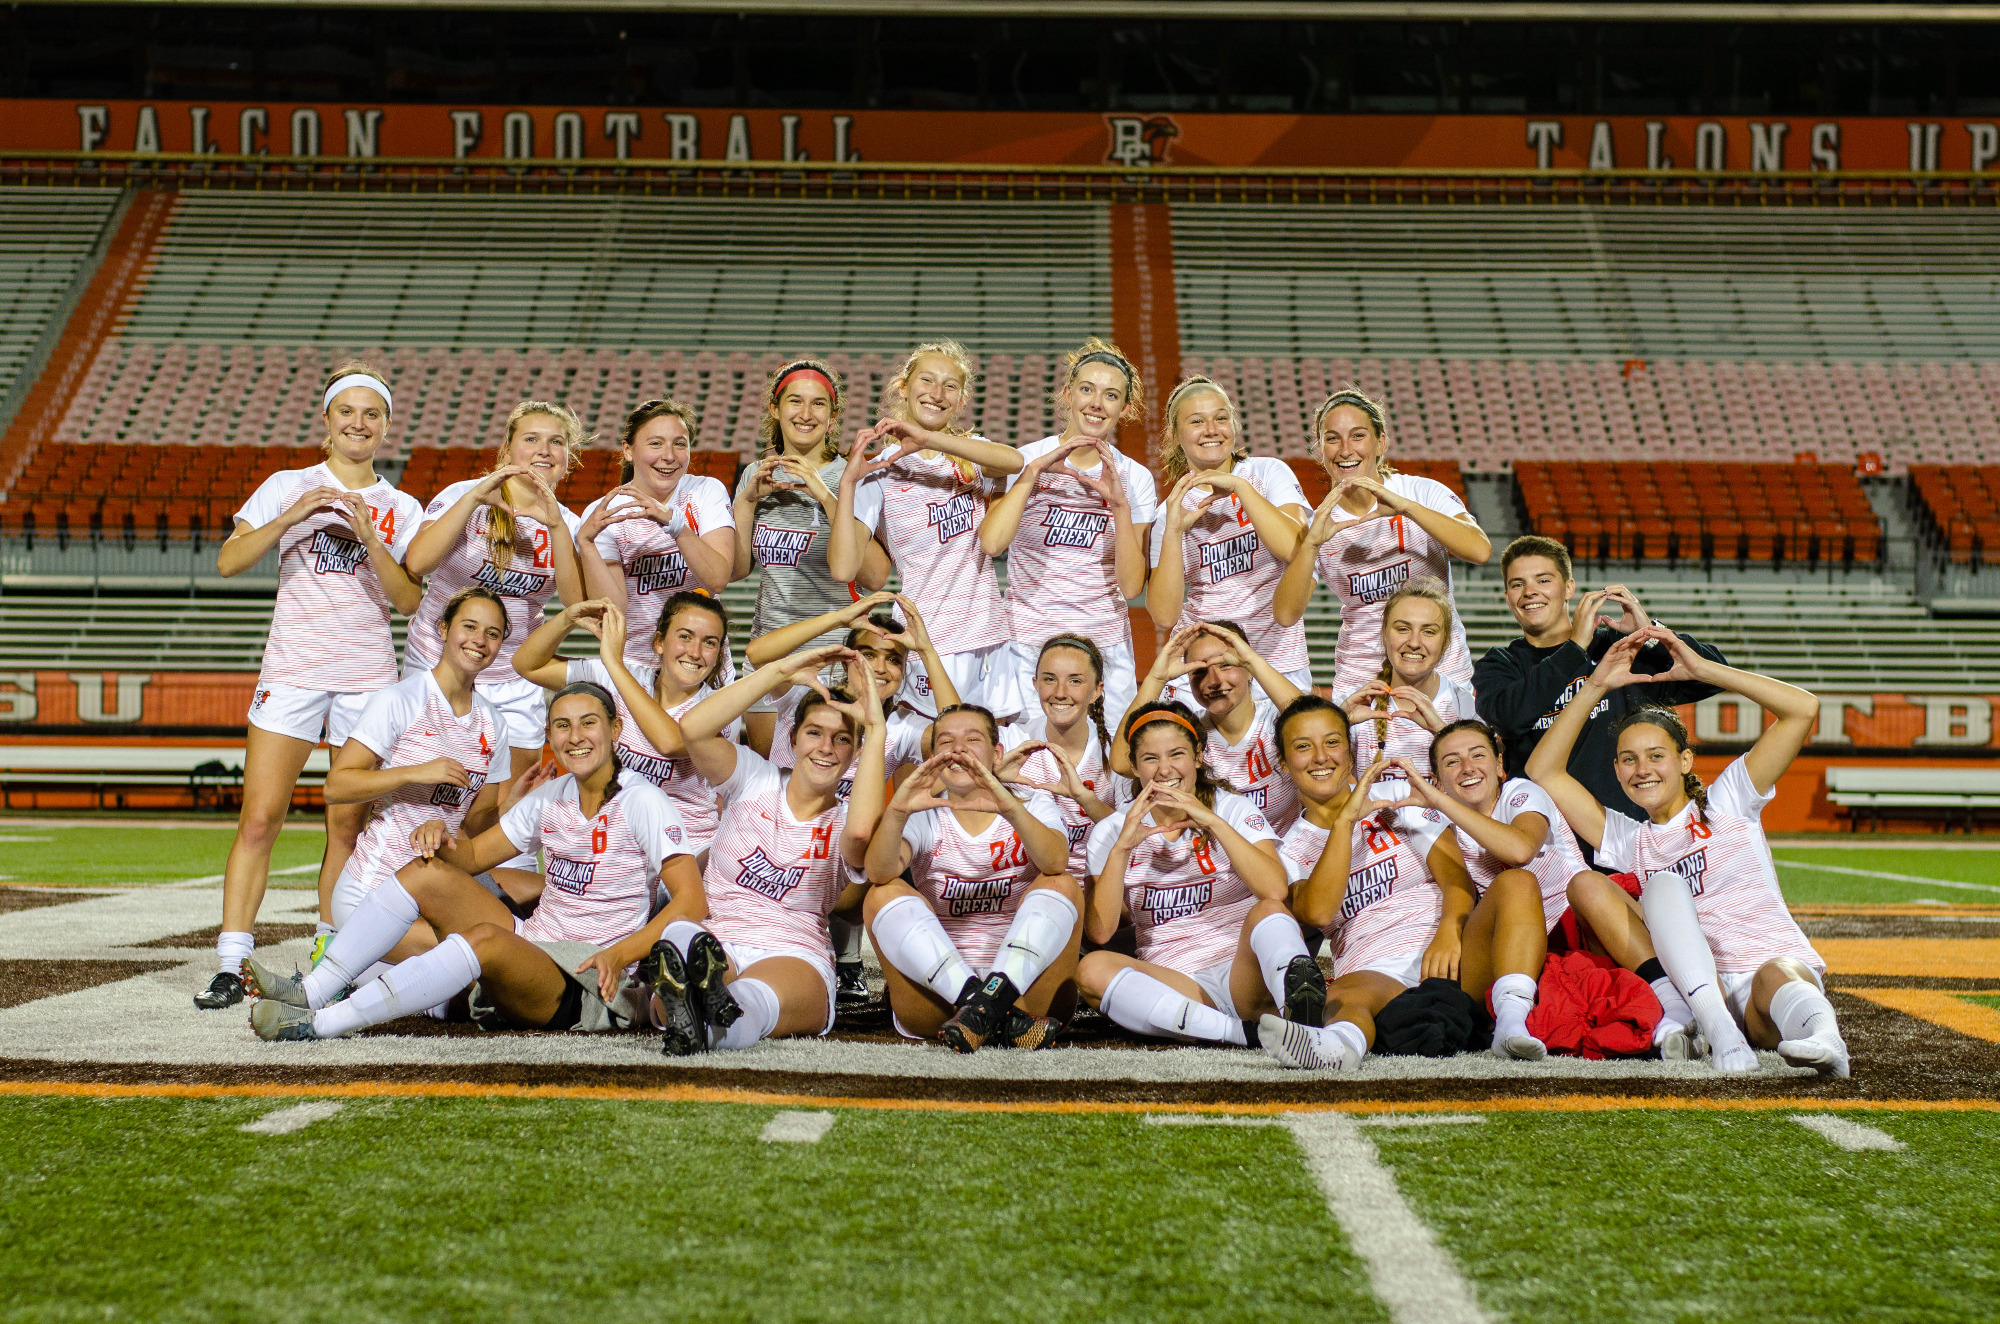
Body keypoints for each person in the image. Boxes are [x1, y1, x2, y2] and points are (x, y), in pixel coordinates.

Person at [249, 682, 707, 1048]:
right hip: (535, 945)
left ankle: (321, 1024)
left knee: (485, 939)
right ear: (550, 736)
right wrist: (439, 836)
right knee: (425, 871)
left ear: (615, 729)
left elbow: (691, 902)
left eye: (589, 723)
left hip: (588, 977)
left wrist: (620, 955)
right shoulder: (552, 796)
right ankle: (313, 991)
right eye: (562, 726)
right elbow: (471, 857)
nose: (575, 736)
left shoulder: (643, 800)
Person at [198, 360, 425, 1009]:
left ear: (386, 426)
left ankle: (330, 958)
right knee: (260, 818)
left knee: (347, 827)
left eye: (371, 414)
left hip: (367, 679)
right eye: (346, 411)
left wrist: (372, 539)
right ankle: (232, 963)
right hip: (293, 672)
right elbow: (229, 560)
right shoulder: (287, 485)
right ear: (327, 419)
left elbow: (410, 600)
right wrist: (292, 516)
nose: (359, 423)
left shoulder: (401, 506)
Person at [1525, 627, 1848, 1077]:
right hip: (1698, 990)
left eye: (1656, 755)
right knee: (1612, 884)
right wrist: (1595, 684)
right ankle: (1713, 1025)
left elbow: (1802, 709)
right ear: (1616, 770)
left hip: (1767, 981)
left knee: (1776, 973)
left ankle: (1827, 1039)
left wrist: (1704, 670)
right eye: (1628, 759)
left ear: (1684, 760)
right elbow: (1542, 769)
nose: (1642, 769)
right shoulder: (1631, 839)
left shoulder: (1728, 800)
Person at [642, 643, 890, 1050]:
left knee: (748, 1003)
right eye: (814, 732)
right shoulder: (754, 777)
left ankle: (701, 1007)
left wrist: (876, 729)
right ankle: (694, 984)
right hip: (717, 940)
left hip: (793, 951)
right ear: (793, 738)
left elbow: (862, 835)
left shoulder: (847, 818)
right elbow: (694, 728)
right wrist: (779, 671)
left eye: (842, 739)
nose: (826, 747)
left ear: (856, 752)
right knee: (688, 944)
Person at [1075, 701, 1323, 1048]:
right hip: (1175, 984)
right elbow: (1100, 932)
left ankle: (1298, 1015)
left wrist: (1212, 822)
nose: (1165, 769)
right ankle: (1243, 1034)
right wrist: (1120, 850)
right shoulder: (1112, 830)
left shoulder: (1231, 807)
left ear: (1198, 756)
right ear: (1133, 766)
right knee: (1091, 970)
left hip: (1244, 974)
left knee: (1270, 910)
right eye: (1150, 758)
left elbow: (1275, 889)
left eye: (1176, 754)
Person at [1256, 696, 1480, 1071]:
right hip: (1374, 971)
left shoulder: (1397, 795)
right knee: (1344, 995)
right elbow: (1317, 913)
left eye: (1332, 742)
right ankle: (1336, 1048)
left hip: (1454, 948)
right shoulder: (1288, 851)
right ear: (1283, 762)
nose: (1321, 757)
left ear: (1350, 749)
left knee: (1516, 885)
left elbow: (1457, 880)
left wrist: (1449, 930)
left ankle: (1513, 1019)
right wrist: (1344, 822)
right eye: (1303, 746)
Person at [401, 401, 586, 852]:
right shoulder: (464, 495)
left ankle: (484, 891)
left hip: (515, 678)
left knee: (503, 815)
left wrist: (556, 527)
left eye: (556, 442)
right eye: (531, 439)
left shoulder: (568, 523)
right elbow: (418, 562)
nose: (544, 450)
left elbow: (576, 603)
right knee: (423, 804)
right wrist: (472, 500)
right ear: (507, 450)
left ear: (568, 458)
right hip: (438, 666)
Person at [862, 704, 1079, 1052]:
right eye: (946, 741)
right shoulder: (924, 812)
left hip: (1027, 994)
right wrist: (898, 812)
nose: (958, 749)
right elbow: (879, 871)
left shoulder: (1030, 803)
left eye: (972, 739)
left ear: (997, 754)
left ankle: (988, 1004)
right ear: (933, 757)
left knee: (1062, 883)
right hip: (942, 997)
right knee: (880, 894)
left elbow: (1056, 861)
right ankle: (980, 1005)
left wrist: (1010, 808)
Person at [1473, 534, 1729, 829]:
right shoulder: (1499, 664)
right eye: (1517, 584)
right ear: (1507, 596)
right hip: (1546, 840)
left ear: (1569, 588)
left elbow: (1713, 676)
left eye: (1543, 580)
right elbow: (1509, 718)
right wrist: (1574, 650)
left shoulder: (1617, 647)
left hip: (1624, 833)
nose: (1530, 592)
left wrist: (1651, 634)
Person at [835, 341, 1022, 718]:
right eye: (927, 380)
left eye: (950, 385)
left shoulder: (970, 452)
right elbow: (843, 568)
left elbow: (1014, 461)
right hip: (927, 636)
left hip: (990, 633)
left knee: (994, 745)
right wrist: (847, 486)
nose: (937, 393)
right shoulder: (880, 470)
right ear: (903, 387)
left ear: (961, 399)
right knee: (931, 745)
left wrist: (927, 439)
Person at [980, 339, 1157, 725]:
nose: (1097, 403)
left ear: (1125, 409)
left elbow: (1131, 587)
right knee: (1027, 760)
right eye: (1087, 389)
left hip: (1104, 646)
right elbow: (991, 543)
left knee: (1108, 760)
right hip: (1027, 643)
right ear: (1067, 394)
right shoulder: (1026, 459)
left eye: (1111, 395)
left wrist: (1119, 504)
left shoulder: (1135, 477)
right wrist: (1031, 475)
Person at [1272, 388, 1490, 696]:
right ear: (1320, 450)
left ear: (1381, 443)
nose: (1345, 450)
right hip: (1361, 681)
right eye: (1332, 439)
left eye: (1358, 436)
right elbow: (1285, 614)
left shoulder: (1421, 493)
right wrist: (1310, 545)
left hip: (1442, 675)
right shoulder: (1317, 524)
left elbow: (1480, 550)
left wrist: (1407, 509)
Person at [513, 593, 734, 863]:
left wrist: (615, 664)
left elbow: (670, 743)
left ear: (718, 655)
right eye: (685, 636)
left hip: (687, 846)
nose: (695, 652)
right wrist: (568, 618)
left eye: (709, 642)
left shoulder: (721, 706)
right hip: (619, 843)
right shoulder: (623, 677)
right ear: (659, 642)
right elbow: (527, 665)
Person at [1146, 375, 1312, 698]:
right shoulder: (1171, 511)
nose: (1211, 429)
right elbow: (1164, 615)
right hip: (1204, 668)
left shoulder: (1267, 473)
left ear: (1234, 424)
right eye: (1197, 421)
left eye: (1221, 418)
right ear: (1175, 435)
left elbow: (1296, 549)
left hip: (1277, 660)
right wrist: (1174, 532)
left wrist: (1239, 487)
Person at [731, 357, 890, 652]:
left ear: (832, 415)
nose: (806, 414)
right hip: (771, 654)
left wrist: (829, 498)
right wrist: (747, 501)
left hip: (835, 655)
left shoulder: (854, 477)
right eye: (795, 401)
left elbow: (875, 577)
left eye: (818, 404)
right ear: (775, 409)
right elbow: (736, 571)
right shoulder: (756, 474)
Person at [577, 397, 737, 672]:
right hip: (635, 667)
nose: (669, 456)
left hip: (702, 665)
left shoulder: (705, 491)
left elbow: (717, 579)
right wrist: (587, 544)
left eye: (680, 444)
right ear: (628, 450)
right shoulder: (604, 511)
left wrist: (675, 524)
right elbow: (614, 610)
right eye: (655, 443)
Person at [1113, 622, 1302, 832]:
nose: (1214, 681)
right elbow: (1121, 763)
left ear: (1249, 669)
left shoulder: (1280, 722)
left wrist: (1254, 662)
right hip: (1211, 851)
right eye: (1199, 671)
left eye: (1225, 665)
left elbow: (1317, 726)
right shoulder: (1189, 734)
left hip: (1282, 850)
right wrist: (1157, 679)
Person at [994, 633, 1127, 881]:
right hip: (1029, 887)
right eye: (1049, 679)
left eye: (1075, 681)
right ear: (1035, 684)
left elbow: (1135, 839)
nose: (1060, 692)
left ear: (1097, 691)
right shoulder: (1009, 742)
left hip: (1101, 885)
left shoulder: (1115, 753)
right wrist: (992, 779)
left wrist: (1084, 798)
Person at [1341, 578, 1476, 807]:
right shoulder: (1357, 703)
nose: (1414, 642)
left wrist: (1441, 731)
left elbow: (1482, 783)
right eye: (1403, 629)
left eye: (1428, 631)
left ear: (1446, 642)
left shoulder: (1463, 703)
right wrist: (1339, 722)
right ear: (1384, 634)